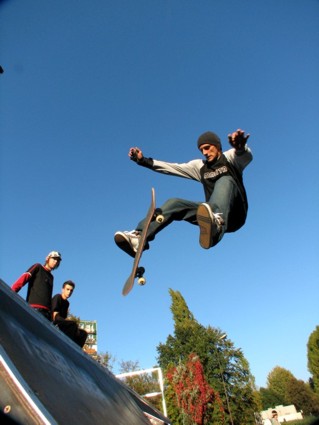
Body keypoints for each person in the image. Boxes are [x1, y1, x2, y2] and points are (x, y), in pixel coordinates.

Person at [114, 129, 252, 256]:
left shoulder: (230, 158)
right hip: (210, 217)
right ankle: (139, 238)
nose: (204, 153)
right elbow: (173, 168)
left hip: (236, 213)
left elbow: (245, 156)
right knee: (174, 203)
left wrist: (240, 148)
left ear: (218, 146)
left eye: (207, 148)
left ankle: (217, 222)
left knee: (225, 179)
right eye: (201, 150)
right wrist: (143, 161)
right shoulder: (200, 167)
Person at [11, 251, 62, 320]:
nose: (55, 262)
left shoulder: (51, 277)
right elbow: (24, 277)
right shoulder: (38, 267)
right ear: (48, 258)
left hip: (46, 313)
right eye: (54, 259)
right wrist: (12, 292)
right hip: (34, 308)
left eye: (57, 260)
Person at [51, 280, 87, 348]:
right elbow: (55, 317)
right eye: (67, 289)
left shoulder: (67, 303)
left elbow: (64, 318)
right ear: (63, 289)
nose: (69, 292)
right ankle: (67, 346)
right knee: (73, 324)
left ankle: (75, 349)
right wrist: (71, 323)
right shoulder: (58, 297)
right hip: (55, 322)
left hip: (62, 324)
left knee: (83, 333)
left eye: (71, 290)